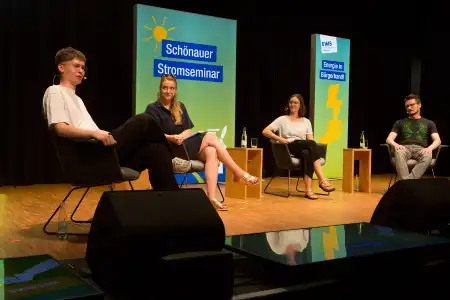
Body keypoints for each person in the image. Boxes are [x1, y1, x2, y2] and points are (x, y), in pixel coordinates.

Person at [43, 47, 179, 190]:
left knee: (155, 149)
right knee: (143, 120)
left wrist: (99, 134)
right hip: (87, 157)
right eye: (76, 66)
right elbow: (60, 128)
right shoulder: (55, 91)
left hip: (103, 152)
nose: (81, 71)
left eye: (83, 67)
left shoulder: (77, 99)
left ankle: (172, 203)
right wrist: (95, 133)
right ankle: (174, 157)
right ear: (61, 67)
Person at [145, 74, 260, 211]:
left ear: (175, 90)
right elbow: (153, 133)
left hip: (184, 146)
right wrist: (172, 138)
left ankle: (211, 198)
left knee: (211, 151)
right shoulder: (153, 108)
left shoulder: (179, 107)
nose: (168, 91)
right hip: (168, 150)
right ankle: (238, 172)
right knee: (210, 136)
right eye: (165, 88)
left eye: (171, 88)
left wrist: (181, 135)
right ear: (160, 89)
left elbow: (188, 130)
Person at [262, 93, 335, 199]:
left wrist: (311, 149)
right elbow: (265, 131)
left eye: (295, 102)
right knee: (310, 145)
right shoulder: (282, 119)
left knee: (307, 153)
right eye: (291, 102)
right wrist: (281, 139)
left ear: (300, 105)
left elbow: (310, 140)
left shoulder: (306, 121)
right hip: (288, 147)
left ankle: (308, 190)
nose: (293, 104)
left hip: (302, 146)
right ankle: (322, 179)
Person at [385, 93, 441, 180]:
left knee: (428, 156)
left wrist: (430, 148)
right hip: (404, 148)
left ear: (419, 105)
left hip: (420, 149)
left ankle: (405, 183)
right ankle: (408, 185)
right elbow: (389, 139)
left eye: (412, 105)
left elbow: (437, 140)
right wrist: (396, 145)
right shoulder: (399, 122)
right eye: (407, 106)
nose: (409, 108)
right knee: (398, 152)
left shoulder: (429, 123)